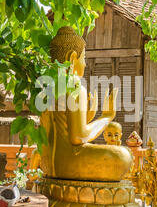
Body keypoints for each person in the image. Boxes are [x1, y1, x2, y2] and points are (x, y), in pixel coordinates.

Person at [39, 26, 132, 182]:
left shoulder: (47, 87)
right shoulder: (73, 86)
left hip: (48, 164)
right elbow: (78, 137)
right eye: (84, 58)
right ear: (73, 57)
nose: (85, 64)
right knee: (122, 156)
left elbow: (62, 130)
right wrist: (106, 117)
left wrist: (87, 118)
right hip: (69, 163)